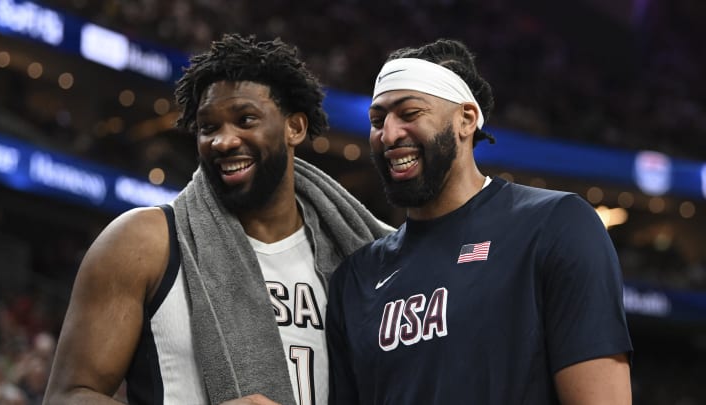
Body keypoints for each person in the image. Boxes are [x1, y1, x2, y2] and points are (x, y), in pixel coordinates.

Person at [43, 33, 392, 405]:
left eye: (245, 119)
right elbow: (67, 396)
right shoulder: (144, 242)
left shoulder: (355, 262)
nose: (223, 141)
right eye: (208, 127)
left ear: (295, 128)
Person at [326, 38, 633, 404]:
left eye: (409, 114)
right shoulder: (356, 277)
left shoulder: (555, 224)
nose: (389, 135)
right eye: (378, 121)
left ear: (466, 120)